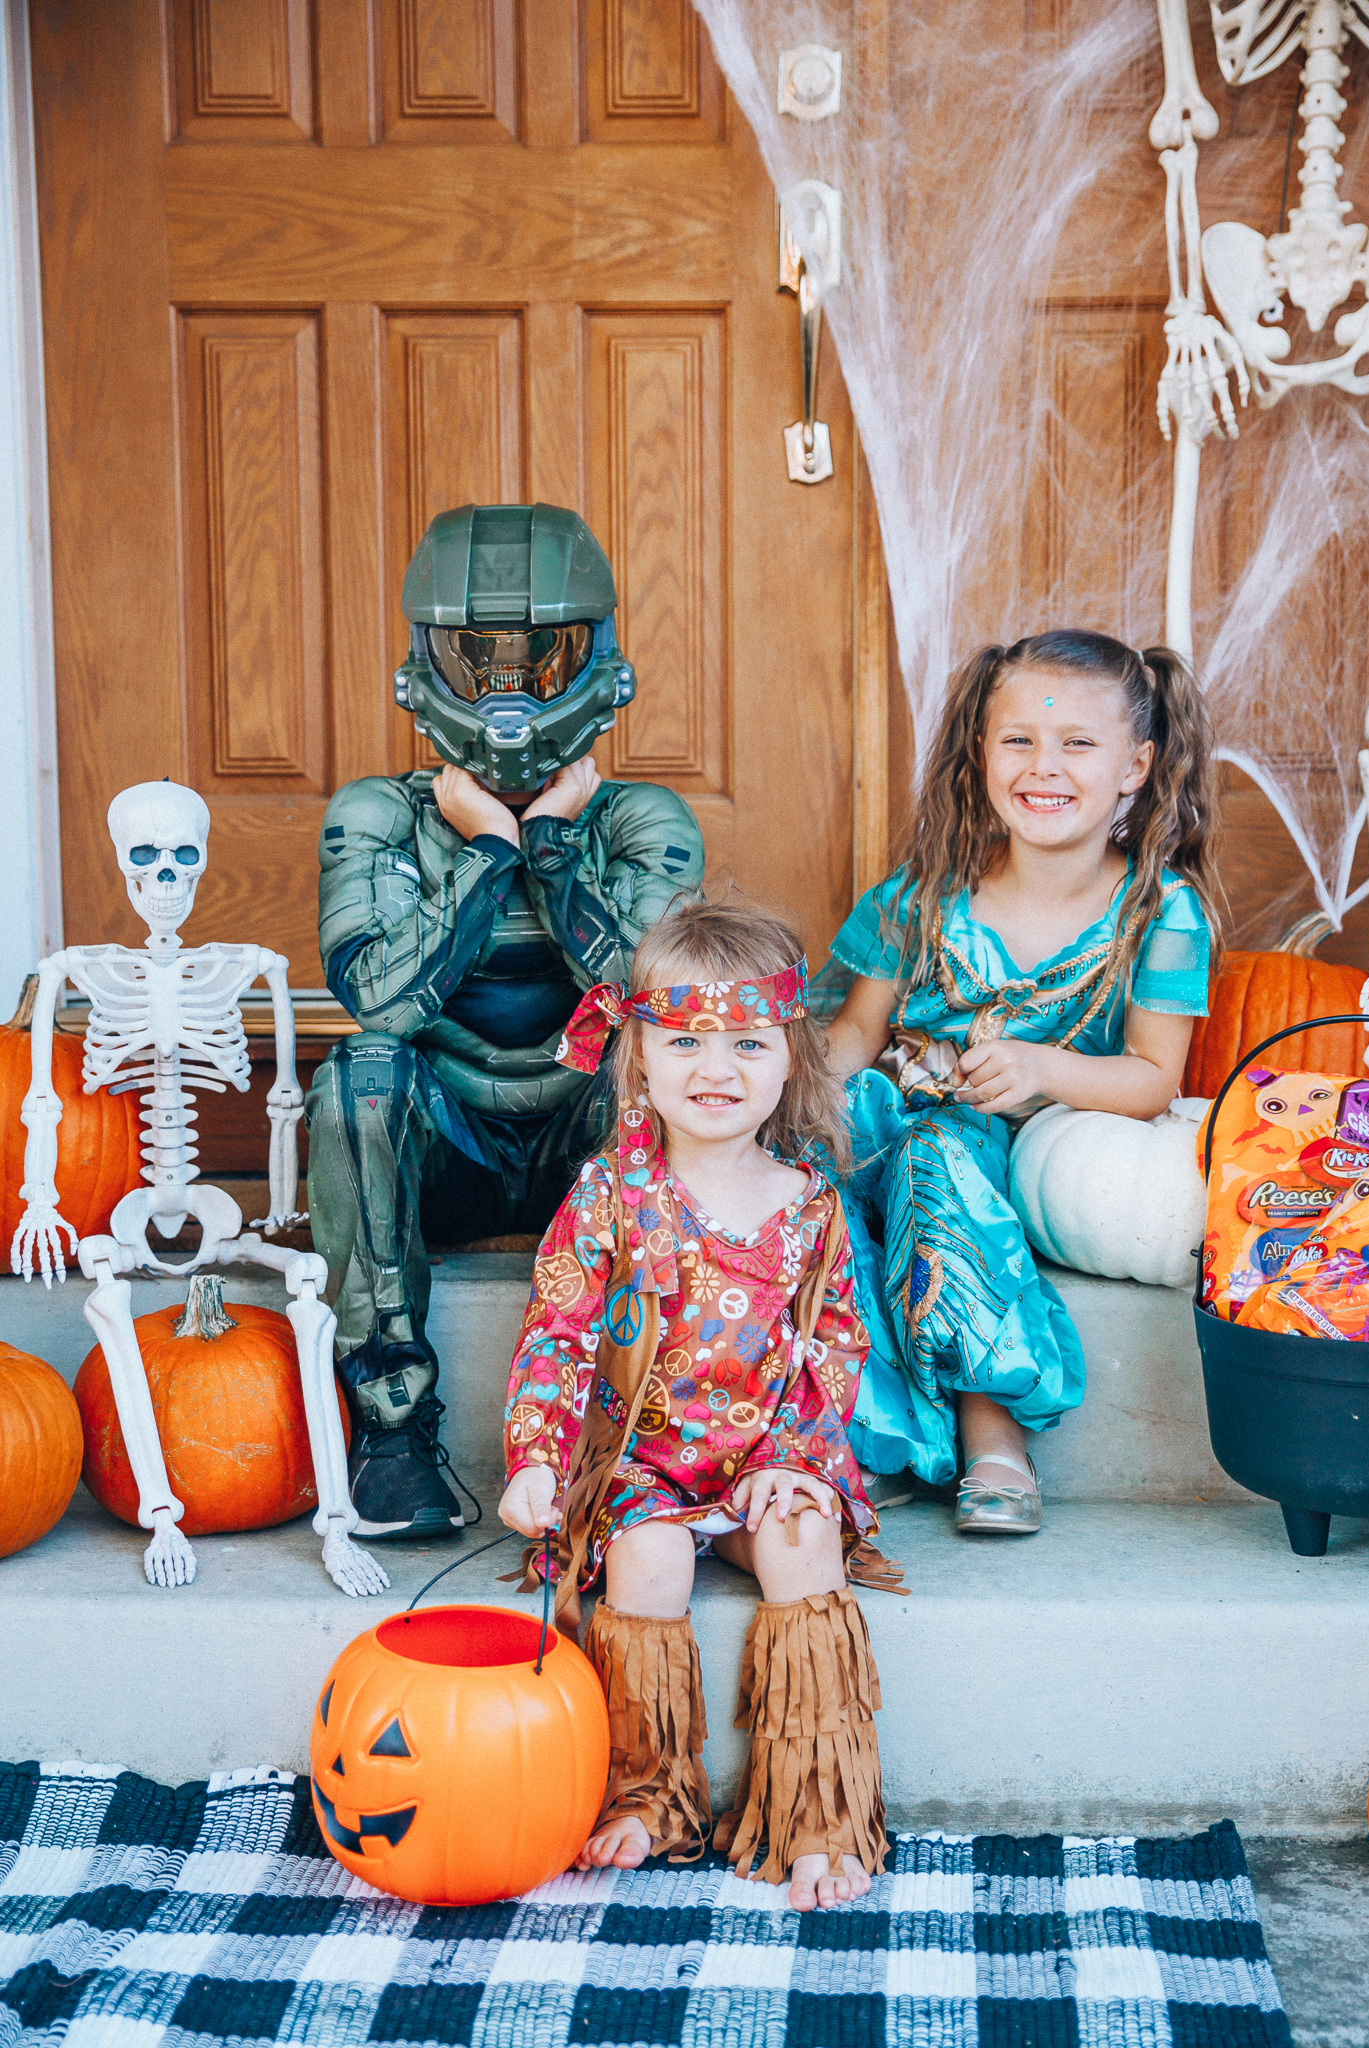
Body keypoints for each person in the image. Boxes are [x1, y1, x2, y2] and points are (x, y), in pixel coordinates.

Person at [307, 504, 704, 1542]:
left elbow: (651, 995)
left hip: (591, 1140)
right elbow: (379, 1000)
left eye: (543, 659)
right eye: (479, 662)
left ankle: (652, 1426)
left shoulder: (642, 822)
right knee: (360, 1072)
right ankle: (392, 1429)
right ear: (426, 665)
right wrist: (487, 851)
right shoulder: (378, 813)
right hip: (448, 1148)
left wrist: (557, 844)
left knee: (673, 1061)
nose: (512, 693)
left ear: (596, 660)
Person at [498, 899, 902, 1911]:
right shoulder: (610, 1195)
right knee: (649, 1554)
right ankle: (648, 1792)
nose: (714, 1068)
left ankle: (818, 1812)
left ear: (789, 1056)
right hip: (643, 1465)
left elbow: (835, 1344)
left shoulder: (808, 1203)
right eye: (682, 1039)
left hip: (768, 1452)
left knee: (802, 1535)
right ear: (637, 1051)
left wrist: (796, 1454)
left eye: (745, 1042)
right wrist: (538, 1459)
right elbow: (559, 1332)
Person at [826, 629, 1218, 1535]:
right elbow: (852, 1037)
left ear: (1136, 765)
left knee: (942, 1154)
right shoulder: (920, 896)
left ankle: (991, 1431)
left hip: (1017, 1145)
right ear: (981, 753)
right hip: (891, 1112)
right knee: (817, 1155)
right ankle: (849, 1424)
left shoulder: (1160, 913)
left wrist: (1042, 1068)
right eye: (1019, 740)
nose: (1045, 766)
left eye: (1078, 743)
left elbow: (1155, 1079)